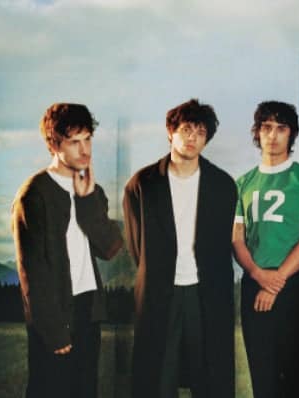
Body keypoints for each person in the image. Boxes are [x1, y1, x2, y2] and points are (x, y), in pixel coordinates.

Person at [123, 99, 237, 398]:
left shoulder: (223, 184)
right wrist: (159, 271)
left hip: (206, 291)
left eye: (200, 132)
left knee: (210, 373)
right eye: (186, 129)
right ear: (170, 132)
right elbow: (137, 246)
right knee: (158, 375)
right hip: (160, 291)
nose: (192, 137)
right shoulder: (142, 184)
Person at [12, 103, 123, 398]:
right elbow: (31, 269)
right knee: (49, 389)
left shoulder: (92, 189)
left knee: (85, 389)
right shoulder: (34, 193)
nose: (84, 150)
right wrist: (51, 327)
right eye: (74, 142)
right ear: (53, 144)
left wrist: (87, 202)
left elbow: (111, 247)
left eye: (88, 139)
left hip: (88, 307)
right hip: (55, 312)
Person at [232, 101, 299, 398]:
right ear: (257, 133)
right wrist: (259, 275)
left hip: (293, 284)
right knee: (264, 377)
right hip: (253, 283)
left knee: (296, 377)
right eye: (266, 127)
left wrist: (274, 284)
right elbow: (237, 240)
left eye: (281, 128)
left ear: (292, 134)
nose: (273, 135)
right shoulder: (242, 183)